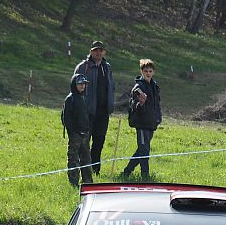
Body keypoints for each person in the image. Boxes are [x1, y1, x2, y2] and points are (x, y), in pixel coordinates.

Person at [74, 41, 115, 176]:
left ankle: (95, 171)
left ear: (104, 52)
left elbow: (111, 87)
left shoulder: (107, 68)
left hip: (103, 113)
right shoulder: (83, 67)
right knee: (84, 143)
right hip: (87, 112)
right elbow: (74, 88)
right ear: (91, 52)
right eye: (95, 50)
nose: (98, 53)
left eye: (100, 50)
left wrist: (111, 104)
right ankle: (83, 170)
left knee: (99, 142)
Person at [122, 59, 162, 181]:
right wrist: (141, 103)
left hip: (151, 123)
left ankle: (126, 172)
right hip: (142, 123)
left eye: (150, 71)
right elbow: (133, 106)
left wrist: (158, 118)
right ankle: (145, 176)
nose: (148, 73)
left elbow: (157, 104)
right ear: (141, 72)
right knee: (144, 151)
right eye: (146, 71)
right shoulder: (138, 87)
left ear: (153, 72)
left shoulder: (155, 86)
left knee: (142, 150)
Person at [62, 74, 93, 187]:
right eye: (79, 84)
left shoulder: (84, 98)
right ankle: (74, 183)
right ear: (74, 85)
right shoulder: (70, 99)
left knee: (86, 160)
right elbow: (66, 118)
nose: (82, 86)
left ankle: (87, 183)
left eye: (83, 84)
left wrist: (88, 130)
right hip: (75, 135)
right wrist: (72, 133)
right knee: (73, 160)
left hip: (85, 134)